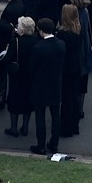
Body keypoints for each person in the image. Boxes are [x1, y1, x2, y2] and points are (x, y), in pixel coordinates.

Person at [28, 18, 65, 155]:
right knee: (55, 116)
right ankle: (54, 144)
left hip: (40, 86)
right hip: (55, 84)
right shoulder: (61, 45)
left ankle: (41, 145)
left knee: (40, 117)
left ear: (41, 31)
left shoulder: (38, 48)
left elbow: (32, 68)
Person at [3, 17, 37, 138]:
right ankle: (25, 127)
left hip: (16, 75)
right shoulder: (36, 40)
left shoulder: (15, 42)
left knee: (14, 101)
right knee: (28, 101)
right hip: (30, 75)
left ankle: (14, 128)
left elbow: (7, 58)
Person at [69, 0, 92, 124]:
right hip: (85, 49)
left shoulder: (74, 12)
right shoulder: (85, 11)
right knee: (83, 83)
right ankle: (80, 109)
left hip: (78, 50)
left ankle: (75, 109)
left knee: (76, 82)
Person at [56, 4, 84, 139]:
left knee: (66, 99)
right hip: (76, 66)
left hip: (66, 68)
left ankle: (65, 128)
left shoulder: (62, 34)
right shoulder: (78, 30)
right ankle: (74, 125)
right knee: (74, 97)